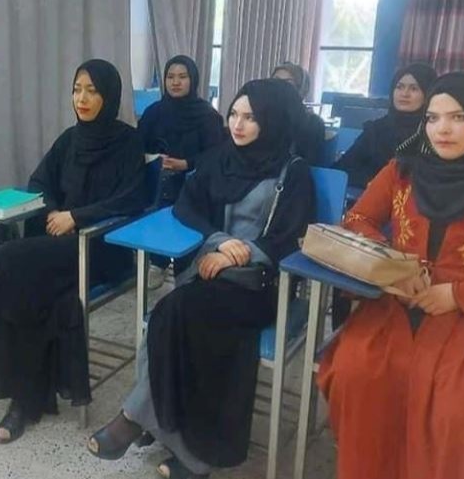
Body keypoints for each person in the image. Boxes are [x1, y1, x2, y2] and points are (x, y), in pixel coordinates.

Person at [0, 59, 148, 443]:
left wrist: (76, 216)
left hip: (100, 248)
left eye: (92, 90)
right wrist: (53, 210)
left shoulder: (128, 142)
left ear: (110, 95)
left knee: (5, 261)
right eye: (76, 89)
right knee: (30, 292)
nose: (81, 99)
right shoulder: (70, 139)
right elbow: (40, 181)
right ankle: (24, 401)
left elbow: (132, 199)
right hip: (58, 246)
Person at [87, 79, 314, 479]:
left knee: (173, 313)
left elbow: (290, 236)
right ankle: (170, 434)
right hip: (212, 268)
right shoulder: (219, 159)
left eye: (250, 117)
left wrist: (241, 253)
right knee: (167, 316)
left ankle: (142, 423)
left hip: (258, 285)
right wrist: (220, 243)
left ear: (273, 121)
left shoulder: (293, 173)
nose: (238, 125)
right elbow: (187, 208)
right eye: (234, 115)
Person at [318, 72, 464, 479]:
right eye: (432, 118)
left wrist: (456, 294)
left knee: (458, 405)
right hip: (397, 297)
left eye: (458, 117)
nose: (442, 129)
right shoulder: (404, 170)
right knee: (357, 374)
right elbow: (358, 219)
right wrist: (391, 269)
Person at [139, 55, 223, 287]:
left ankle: (187, 265)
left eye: (182, 77)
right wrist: (153, 159)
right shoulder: (153, 112)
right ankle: (158, 260)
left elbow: (217, 156)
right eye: (170, 77)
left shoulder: (208, 116)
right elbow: (137, 146)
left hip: (195, 183)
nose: (175, 82)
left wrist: (186, 164)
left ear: (193, 80)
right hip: (159, 182)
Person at [333, 63, 437, 189]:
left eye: (414, 88)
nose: (404, 94)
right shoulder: (376, 130)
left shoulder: (436, 132)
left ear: (428, 94)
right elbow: (343, 168)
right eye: (399, 87)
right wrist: (378, 183)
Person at [271, 61, 325, 165]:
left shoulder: (313, 123)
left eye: (287, 83)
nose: (278, 86)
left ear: (301, 89)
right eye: (274, 81)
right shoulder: (259, 116)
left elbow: (306, 162)